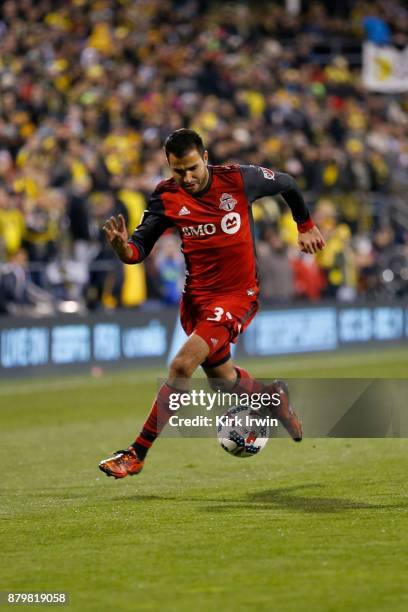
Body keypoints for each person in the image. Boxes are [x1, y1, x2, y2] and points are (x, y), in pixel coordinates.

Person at [99, 129, 325, 479]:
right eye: (178, 171)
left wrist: (305, 224)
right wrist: (120, 248)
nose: (186, 178)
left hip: (237, 296)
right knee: (223, 379)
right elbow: (138, 250)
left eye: (191, 168)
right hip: (197, 300)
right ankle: (271, 397)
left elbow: (288, 183)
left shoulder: (238, 179)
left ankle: (136, 453)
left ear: (205, 158)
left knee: (181, 365)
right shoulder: (166, 196)